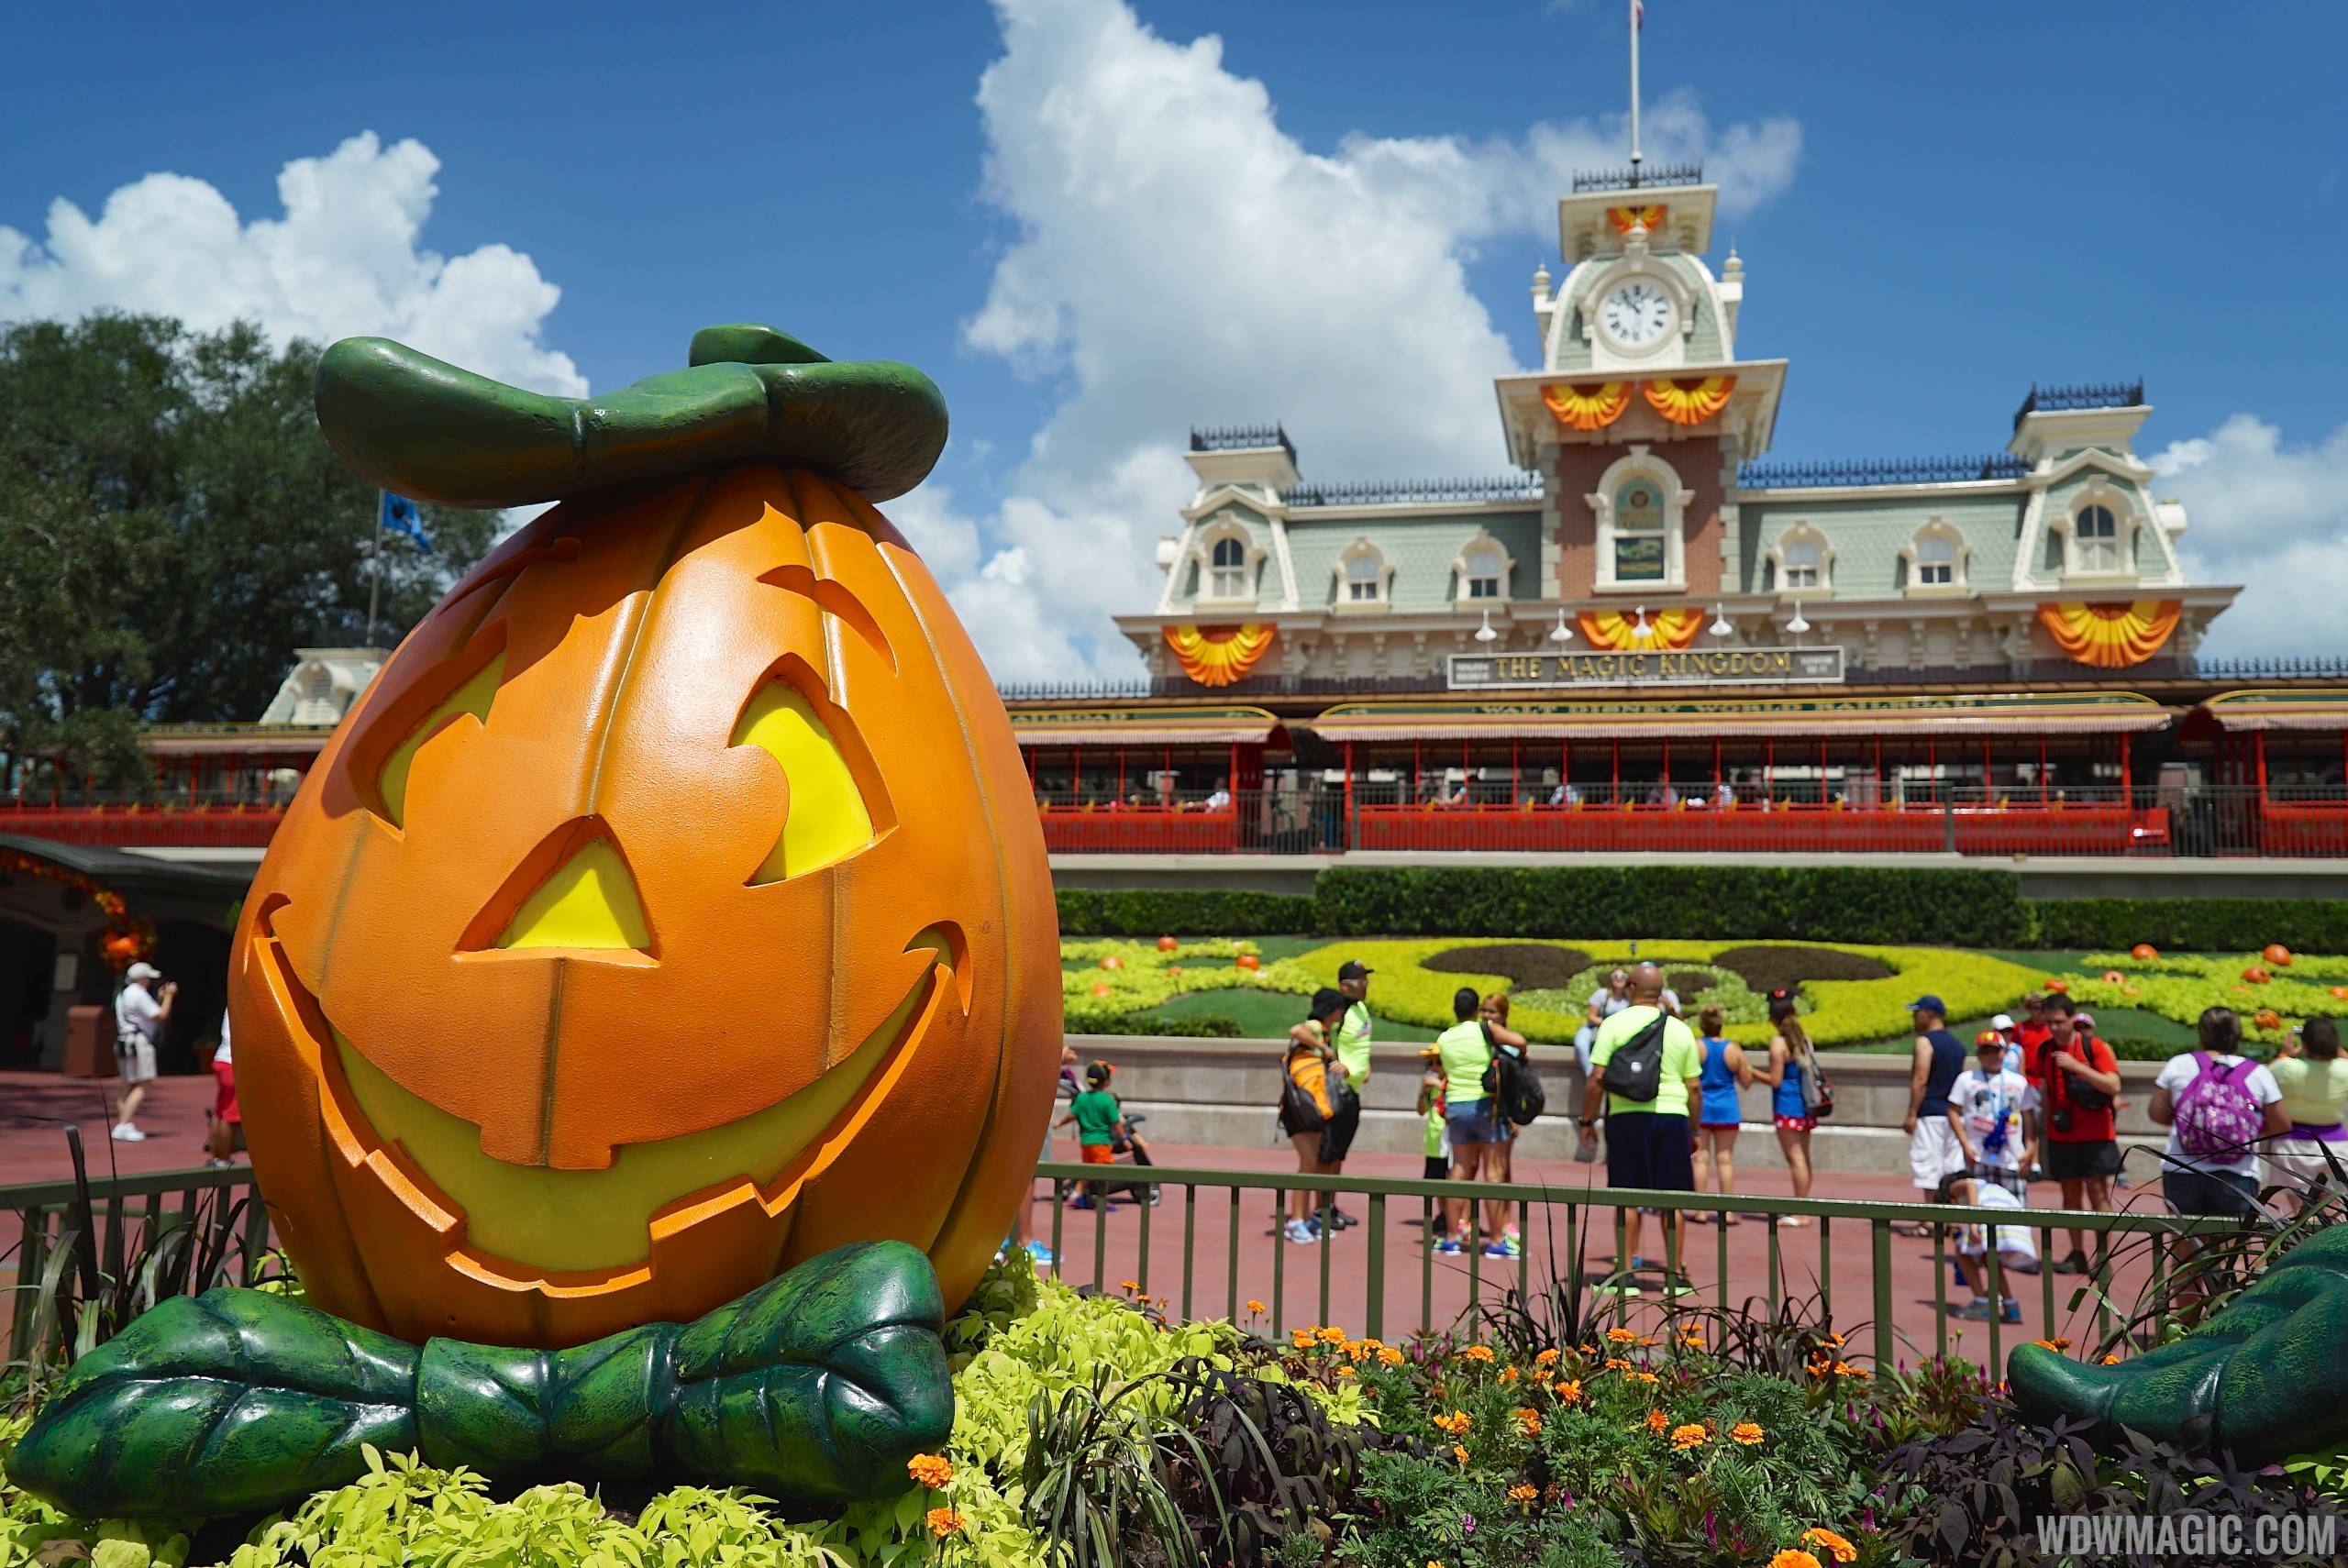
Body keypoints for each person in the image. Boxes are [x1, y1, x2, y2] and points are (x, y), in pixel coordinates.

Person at [2149, 1007, 2287, 1309]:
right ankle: (2220, 1331)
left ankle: (2182, 1329)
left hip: (2182, 1172)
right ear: (2238, 1035)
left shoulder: (2179, 1065)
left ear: (2201, 1033)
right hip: (2237, 1175)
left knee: (2184, 1255)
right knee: (2229, 1256)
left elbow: (2156, 1113)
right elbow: (2280, 1125)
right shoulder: (2257, 1072)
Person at [1581, 963, 1701, 1288]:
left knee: (1626, 1197)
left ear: (1631, 988)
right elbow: (1693, 1087)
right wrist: (1694, 1129)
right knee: (1673, 1198)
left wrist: (1587, 1120)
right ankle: (1675, 1277)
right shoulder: (1679, 1029)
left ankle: (1626, 1274)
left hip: (1626, 1117)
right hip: (1672, 1116)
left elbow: (1596, 1078)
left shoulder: (1613, 1024)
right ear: (1661, 993)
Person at [2029, 993, 2123, 1274]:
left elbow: (2113, 1085)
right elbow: (2046, 1091)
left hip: (2096, 1134)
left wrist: (2077, 1067)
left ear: (2072, 1019)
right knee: (2069, 1194)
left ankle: (2103, 1257)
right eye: (2049, 1023)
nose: (2055, 1028)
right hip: (2062, 1135)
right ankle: (2077, 1253)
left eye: (2059, 1022)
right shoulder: (2045, 1051)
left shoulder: (2094, 1047)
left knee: (2098, 1194)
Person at [1435, 987, 1504, 1254]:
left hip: (1456, 1105)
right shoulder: (1483, 1030)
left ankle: (1452, 1236)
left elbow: (1443, 1066)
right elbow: (1520, 1042)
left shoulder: (1445, 1037)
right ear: (1477, 1010)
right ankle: (1496, 1241)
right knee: (1493, 1172)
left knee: (1460, 1170)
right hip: (1484, 1103)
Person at [1278, 990, 1348, 1243]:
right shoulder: (1316, 1028)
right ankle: (1296, 1221)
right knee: (1308, 1164)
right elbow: (1296, 1030)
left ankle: (1304, 1218)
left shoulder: (1326, 1032)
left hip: (1311, 1108)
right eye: (1339, 1008)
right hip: (1298, 1108)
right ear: (1331, 1010)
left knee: (1313, 1164)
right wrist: (1324, 1049)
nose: (1342, 1013)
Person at [2267, 1017, 2348, 1205]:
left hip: (2292, 1146)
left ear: (2304, 1043)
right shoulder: (2344, 1069)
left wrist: (2286, 1055)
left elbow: (2262, 1077)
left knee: (2297, 1210)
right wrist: (2337, 1050)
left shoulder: (2287, 1067)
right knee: (2335, 1208)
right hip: (2337, 1146)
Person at [1948, 1030, 2037, 1198]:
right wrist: (1965, 1145)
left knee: (2013, 1208)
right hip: (1977, 1156)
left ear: (2004, 1052)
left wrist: (2030, 1149)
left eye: (1996, 1050)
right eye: (1985, 1051)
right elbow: (1953, 1111)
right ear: (1979, 1055)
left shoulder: (2018, 1081)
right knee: (1980, 1209)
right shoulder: (1966, 1079)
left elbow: (2029, 1117)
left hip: (2011, 1157)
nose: (1992, 1056)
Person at [1902, 995, 1969, 1212]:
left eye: (1917, 1012)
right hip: (1953, 1115)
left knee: (1929, 1168)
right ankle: (1952, 1217)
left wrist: (1912, 1113)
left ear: (1929, 1014)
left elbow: (1921, 1080)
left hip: (1931, 1113)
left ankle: (1931, 1220)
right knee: (1952, 1168)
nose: (1914, 1017)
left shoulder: (1925, 1042)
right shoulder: (1957, 1046)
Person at [1942, 1172, 2036, 1323]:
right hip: (2014, 1222)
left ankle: (1981, 1304)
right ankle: (2011, 1307)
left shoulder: (1955, 1188)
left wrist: (1973, 1222)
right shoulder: (1990, 1188)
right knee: (1989, 1257)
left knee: (1961, 1250)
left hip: (1995, 1217)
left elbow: (1969, 1184)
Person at [1323, 959, 1376, 1227]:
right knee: (1329, 1153)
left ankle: (1330, 1205)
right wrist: (1332, 1060)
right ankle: (1322, 1209)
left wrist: (1365, 1065)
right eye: (1360, 982)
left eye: (1366, 980)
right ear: (1345, 986)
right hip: (1338, 1092)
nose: (1365, 986)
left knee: (1340, 1153)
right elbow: (1318, 1035)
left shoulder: (1362, 1009)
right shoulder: (1338, 1012)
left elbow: (1361, 1045)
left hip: (1353, 1091)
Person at [1757, 991, 1818, 1224]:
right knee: (1803, 1157)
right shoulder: (1803, 1039)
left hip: (1786, 1105)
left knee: (1795, 1159)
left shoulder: (1778, 1043)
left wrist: (1751, 1073)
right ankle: (1804, 1206)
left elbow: (1775, 1079)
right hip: (1804, 1105)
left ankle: (1800, 1213)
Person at [1478, 992, 1531, 1257]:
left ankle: (1504, 1223)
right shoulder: (1481, 1039)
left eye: (1493, 1012)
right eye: (1484, 1011)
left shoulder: (1509, 1043)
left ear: (1504, 1015)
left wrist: (1515, 1117)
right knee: (1492, 1172)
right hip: (1485, 1111)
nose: (1487, 1016)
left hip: (1504, 1112)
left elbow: (1519, 1080)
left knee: (1502, 1171)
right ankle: (1495, 1225)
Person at [1690, 1004, 1747, 1222]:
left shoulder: (1697, 1047)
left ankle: (1701, 1210)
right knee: (1725, 1159)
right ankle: (1728, 1211)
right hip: (1727, 1107)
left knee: (1701, 1158)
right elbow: (1746, 1081)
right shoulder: (1733, 1049)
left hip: (1703, 1106)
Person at [1058, 1060, 1140, 1209]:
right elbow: (1116, 1123)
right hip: (1101, 1142)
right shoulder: (1106, 1100)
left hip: (1086, 1142)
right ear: (1106, 1082)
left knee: (1088, 1170)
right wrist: (1125, 1138)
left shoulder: (1082, 1098)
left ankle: (1076, 1195)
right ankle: (1102, 1199)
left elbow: (1072, 1115)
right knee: (1105, 1173)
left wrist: (1059, 1123)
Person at [111, 961, 174, 1142]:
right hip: (138, 1042)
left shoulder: (123, 994)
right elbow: (160, 1016)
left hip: (124, 1040)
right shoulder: (138, 994)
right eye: (148, 978)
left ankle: (123, 1124)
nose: (149, 982)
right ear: (140, 978)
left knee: (127, 1084)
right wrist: (169, 996)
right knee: (143, 1083)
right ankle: (123, 1125)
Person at [1575, 967, 1632, 1077]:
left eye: (1623, 976)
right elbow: (1591, 1017)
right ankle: (1590, 1074)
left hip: (1617, 1032)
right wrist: (1607, 1024)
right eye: (1615, 976)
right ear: (1610, 979)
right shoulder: (1602, 994)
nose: (1619, 979)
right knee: (1580, 1044)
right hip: (1594, 1028)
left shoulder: (1629, 998)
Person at [206, 1010, 244, 1168]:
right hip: (232, 1060)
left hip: (222, 1058)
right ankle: (223, 1158)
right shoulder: (246, 996)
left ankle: (215, 1156)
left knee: (221, 1111)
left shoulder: (235, 995)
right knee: (231, 1113)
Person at [1415, 1044, 1449, 1182]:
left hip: (1448, 1144)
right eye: (1430, 1063)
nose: (1434, 1067)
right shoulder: (1431, 1088)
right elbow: (1421, 1111)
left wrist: (1439, 1085)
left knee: (1450, 1186)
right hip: (1432, 1145)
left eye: (1439, 1062)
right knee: (1434, 1185)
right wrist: (1423, 1093)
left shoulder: (1450, 1083)